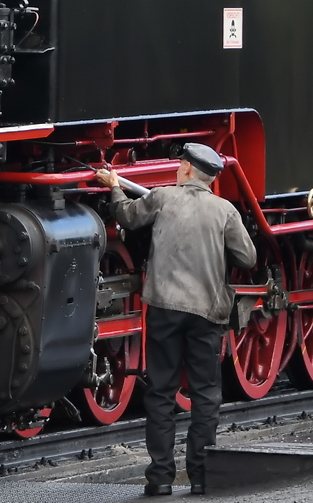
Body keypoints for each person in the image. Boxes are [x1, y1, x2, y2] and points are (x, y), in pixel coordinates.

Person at [96, 142, 256, 496]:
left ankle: (160, 478)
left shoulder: (163, 197)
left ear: (185, 168)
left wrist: (115, 186)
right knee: (205, 395)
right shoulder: (225, 211)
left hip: (165, 309)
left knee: (160, 392)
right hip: (206, 313)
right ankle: (200, 476)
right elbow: (247, 258)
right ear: (210, 178)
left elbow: (126, 216)